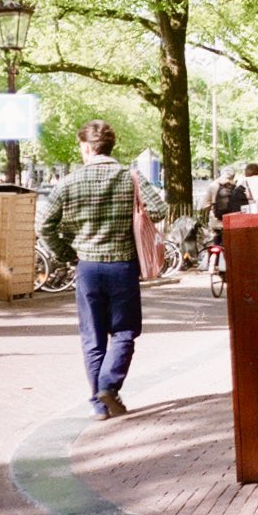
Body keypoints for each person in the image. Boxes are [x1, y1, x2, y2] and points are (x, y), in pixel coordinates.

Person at [39, 120, 166, 422]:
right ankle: (109, 386)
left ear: (86, 147)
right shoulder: (130, 176)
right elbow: (159, 210)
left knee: (92, 336)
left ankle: (99, 405)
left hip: (88, 268)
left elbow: (45, 226)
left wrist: (67, 253)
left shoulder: (69, 182)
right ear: (110, 146)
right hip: (123, 266)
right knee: (124, 332)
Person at [205, 167, 238, 243]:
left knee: (217, 240)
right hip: (233, 222)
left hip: (216, 221)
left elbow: (205, 205)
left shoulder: (212, 185)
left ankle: (215, 252)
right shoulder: (236, 186)